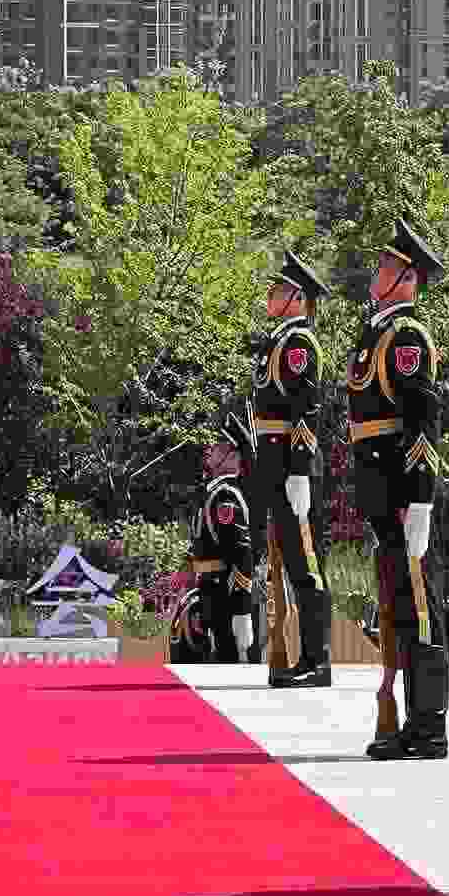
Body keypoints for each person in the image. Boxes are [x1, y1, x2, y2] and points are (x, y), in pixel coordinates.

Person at [350, 215, 449, 760]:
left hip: (404, 490)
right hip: (381, 489)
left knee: (419, 608)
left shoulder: (406, 335)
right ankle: (407, 722)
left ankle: (428, 726)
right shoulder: (378, 332)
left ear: (409, 279)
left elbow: (422, 424)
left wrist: (421, 500)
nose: (377, 271)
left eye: (388, 265)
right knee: (397, 607)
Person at [250, 250, 333, 687]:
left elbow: (307, 409)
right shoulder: (278, 341)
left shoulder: (299, 344)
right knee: (289, 559)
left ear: (298, 298)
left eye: (279, 290)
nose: (270, 296)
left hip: (291, 465)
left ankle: (317, 661)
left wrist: (299, 468)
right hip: (274, 463)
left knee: (305, 562)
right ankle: (301, 656)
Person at [177, 412, 260, 664]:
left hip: (227, 596)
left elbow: (242, 555)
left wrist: (242, 610)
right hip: (212, 591)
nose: (210, 450)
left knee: (231, 664)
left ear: (233, 456)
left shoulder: (226, 496)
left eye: (219, 446)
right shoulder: (213, 492)